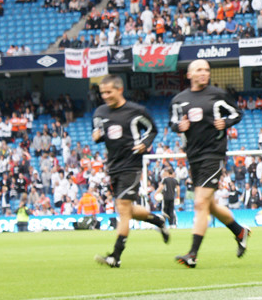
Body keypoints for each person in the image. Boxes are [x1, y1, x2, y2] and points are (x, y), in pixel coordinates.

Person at [170, 60, 249, 268]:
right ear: (189, 75)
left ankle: (192, 254)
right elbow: (172, 123)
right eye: (199, 70)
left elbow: (237, 113)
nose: (204, 73)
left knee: (199, 202)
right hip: (193, 156)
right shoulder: (179, 100)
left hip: (213, 153)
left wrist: (227, 122)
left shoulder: (217, 95)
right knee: (209, 205)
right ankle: (240, 231)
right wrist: (179, 126)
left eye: (206, 69)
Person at [93, 75, 168, 268]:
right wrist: (97, 136)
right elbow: (100, 133)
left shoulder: (136, 111)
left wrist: (145, 144)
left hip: (132, 165)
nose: (105, 96)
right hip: (114, 166)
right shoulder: (100, 112)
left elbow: (152, 129)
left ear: (120, 90)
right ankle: (158, 221)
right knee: (127, 209)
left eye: (109, 92)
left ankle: (115, 256)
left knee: (123, 209)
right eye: (103, 93)